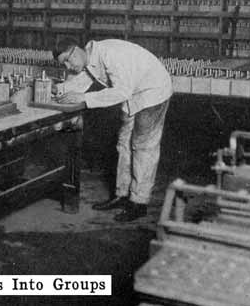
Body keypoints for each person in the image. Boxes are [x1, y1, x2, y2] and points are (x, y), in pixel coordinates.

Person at [52, 38, 172, 222]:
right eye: (64, 64)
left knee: (143, 147)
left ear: (76, 50)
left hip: (152, 91)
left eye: (67, 61)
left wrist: (84, 98)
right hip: (133, 93)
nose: (68, 67)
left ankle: (139, 203)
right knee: (124, 143)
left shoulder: (109, 55)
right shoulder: (90, 56)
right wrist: (57, 89)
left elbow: (122, 91)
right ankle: (122, 195)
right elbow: (83, 80)